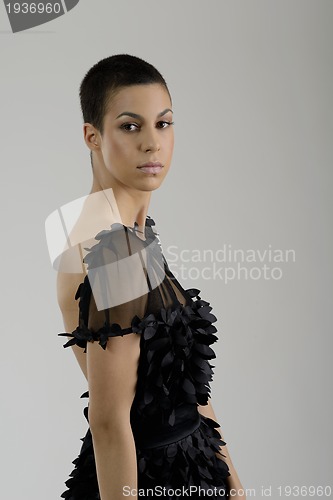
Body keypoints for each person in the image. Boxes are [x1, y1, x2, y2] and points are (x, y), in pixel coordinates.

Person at [55, 54, 246, 500]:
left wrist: (232, 483)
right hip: (152, 478)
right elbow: (108, 421)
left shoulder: (129, 236)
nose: (152, 143)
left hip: (194, 463)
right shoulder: (114, 251)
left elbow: (182, 383)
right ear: (92, 136)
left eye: (163, 123)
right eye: (130, 125)